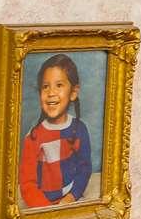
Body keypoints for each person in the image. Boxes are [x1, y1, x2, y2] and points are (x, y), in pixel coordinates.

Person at [17, 52, 93, 206]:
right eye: (45, 86)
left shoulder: (79, 129)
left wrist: (71, 197)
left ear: (73, 93)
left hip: (71, 200)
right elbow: (27, 185)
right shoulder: (33, 137)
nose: (51, 93)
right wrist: (47, 211)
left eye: (59, 85)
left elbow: (84, 169)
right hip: (41, 206)